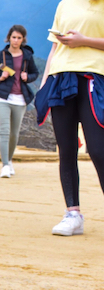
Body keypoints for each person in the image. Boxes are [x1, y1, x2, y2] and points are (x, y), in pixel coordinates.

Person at [37, 0, 104, 236]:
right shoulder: (65, 4)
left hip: (94, 77)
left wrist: (83, 41)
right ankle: (73, 214)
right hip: (61, 77)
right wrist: (45, 82)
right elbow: (55, 47)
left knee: (98, 149)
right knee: (66, 148)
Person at [0, 25, 39, 178]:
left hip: (20, 99)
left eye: (19, 38)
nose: (16, 40)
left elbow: (35, 72)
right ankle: (5, 166)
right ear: (9, 38)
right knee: (5, 131)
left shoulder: (27, 56)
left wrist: (28, 77)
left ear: (23, 39)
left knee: (14, 134)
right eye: (13, 37)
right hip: (2, 98)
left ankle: (9, 160)